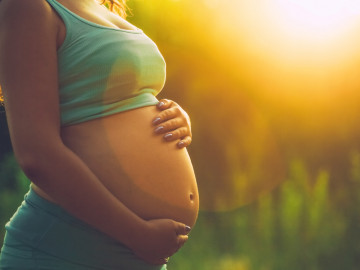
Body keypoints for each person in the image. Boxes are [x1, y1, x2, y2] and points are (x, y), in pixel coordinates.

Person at [0, 0, 199, 269]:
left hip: (136, 254)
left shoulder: (99, 6)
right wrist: (138, 235)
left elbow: (116, 97)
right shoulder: (28, 6)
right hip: (63, 253)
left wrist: (175, 115)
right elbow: (37, 155)